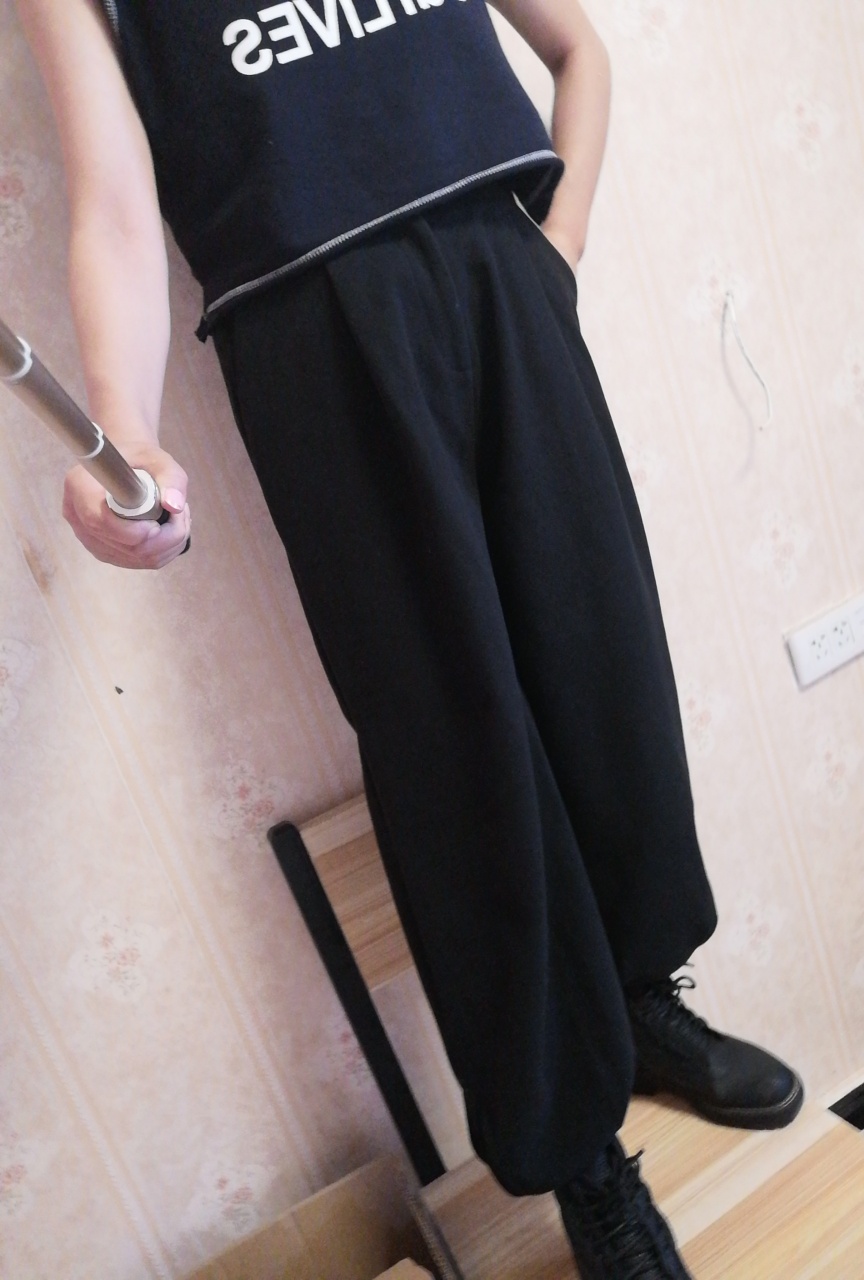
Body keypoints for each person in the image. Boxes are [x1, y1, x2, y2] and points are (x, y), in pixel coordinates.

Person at [15, 1, 804, 1276]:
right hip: (313, 342)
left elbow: (578, 50)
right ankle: (580, 1154)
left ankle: (640, 1000)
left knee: (606, 666)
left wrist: (555, 251)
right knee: (457, 749)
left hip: (506, 282)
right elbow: (114, 203)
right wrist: (128, 425)